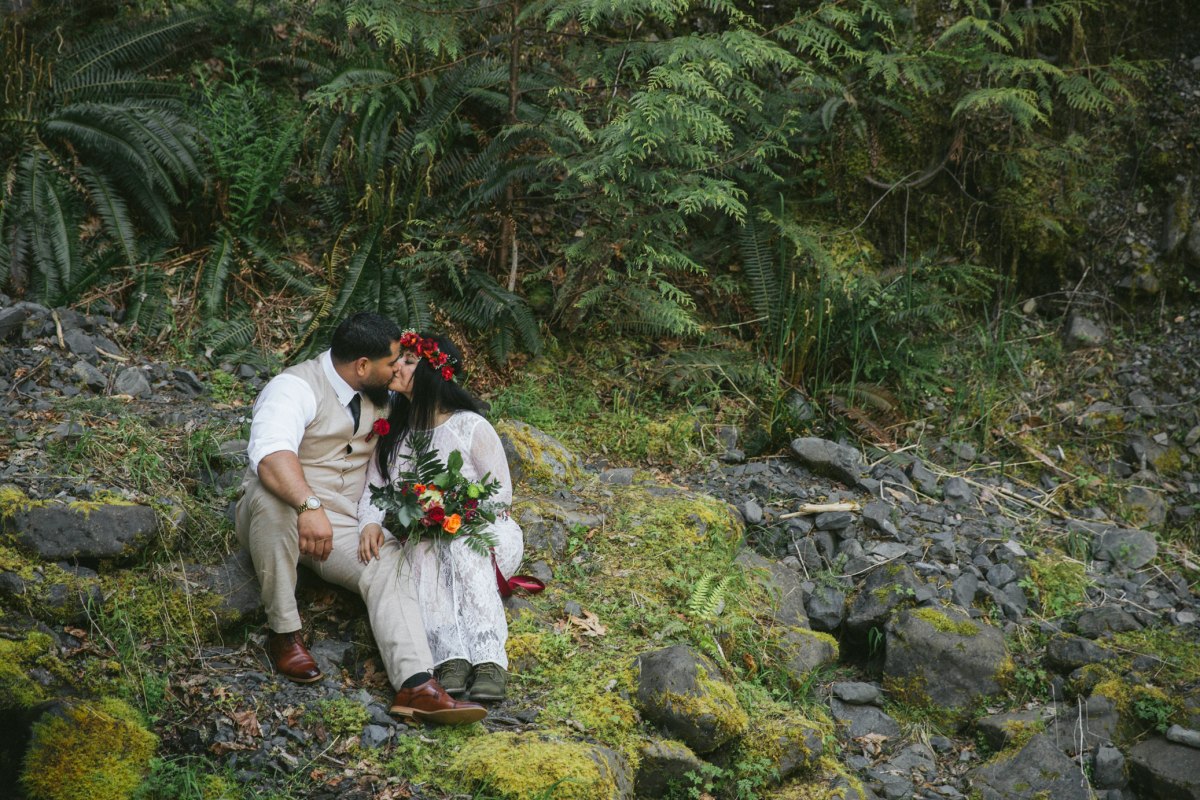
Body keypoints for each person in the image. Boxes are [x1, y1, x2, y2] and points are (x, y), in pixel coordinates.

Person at [235, 312, 486, 725]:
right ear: (363, 366)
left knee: (389, 560)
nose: (397, 370)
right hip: (280, 511)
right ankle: (283, 633)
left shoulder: (382, 393)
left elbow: (429, 413)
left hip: (343, 524)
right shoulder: (294, 387)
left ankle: (416, 684)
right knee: (271, 497)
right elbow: (271, 456)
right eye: (392, 363)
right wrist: (309, 506)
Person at [357, 331, 523, 702]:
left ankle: (489, 660)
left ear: (434, 372)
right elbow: (375, 489)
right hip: (428, 537)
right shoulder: (394, 435)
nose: (396, 366)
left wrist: (456, 513)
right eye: (397, 359)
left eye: (408, 361)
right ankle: (450, 657)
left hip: (485, 533)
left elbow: (501, 496)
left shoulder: (470, 427)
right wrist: (370, 522)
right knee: (421, 553)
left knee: (463, 549)